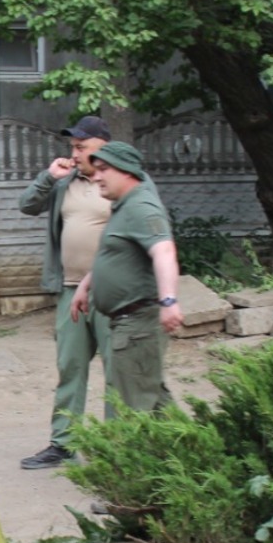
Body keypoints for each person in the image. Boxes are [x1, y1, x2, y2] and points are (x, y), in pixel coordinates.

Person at [16, 114, 113, 469]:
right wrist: (49, 176)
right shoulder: (65, 181)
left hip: (112, 293)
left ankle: (119, 448)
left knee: (117, 371)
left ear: (104, 148)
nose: (74, 152)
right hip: (70, 291)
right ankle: (63, 444)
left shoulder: (120, 182)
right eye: (72, 146)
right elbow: (27, 205)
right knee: (70, 368)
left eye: (81, 146)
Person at [71, 140, 183, 413]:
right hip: (130, 324)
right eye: (95, 169)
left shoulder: (142, 207)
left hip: (138, 325)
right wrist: (86, 285)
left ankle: (156, 454)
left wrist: (169, 301)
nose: (96, 176)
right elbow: (116, 254)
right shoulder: (125, 205)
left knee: (135, 410)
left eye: (103, 169)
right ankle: (198, 452)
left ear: (125, 170)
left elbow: (164, 251)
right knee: (153, 402)